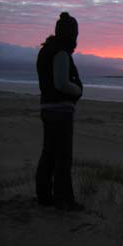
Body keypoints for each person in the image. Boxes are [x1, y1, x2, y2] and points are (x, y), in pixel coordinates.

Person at [36, 12, 84, 211]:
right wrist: (78, 89)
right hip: (60, 111)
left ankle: (44, 195)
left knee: (49, 153)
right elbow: (62, 83)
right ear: (71, 34)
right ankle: (64, 200)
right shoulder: (61, 52)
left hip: (47, 108)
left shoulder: (46, 50)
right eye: (75, 34)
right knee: (63, 157)